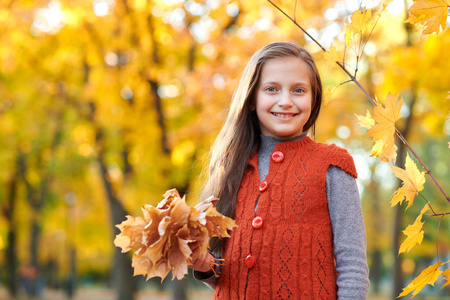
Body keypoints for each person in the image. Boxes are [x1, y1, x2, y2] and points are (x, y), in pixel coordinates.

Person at [189, 41, 369, 299]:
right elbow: (229, 276)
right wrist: (205, 267)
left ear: (313, 97)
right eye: (272, 89)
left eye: (298, 90)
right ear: (251, 98)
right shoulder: (231, 167)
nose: (285, 101)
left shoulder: (332, 165)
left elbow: (352, 267)